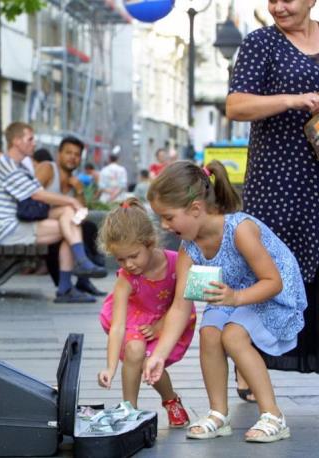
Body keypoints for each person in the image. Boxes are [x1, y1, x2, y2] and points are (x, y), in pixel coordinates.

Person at [143, 160, 307, 443]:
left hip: (272, 295)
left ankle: (273, 415)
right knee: (209, 332)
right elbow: (181, 305)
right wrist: (158, 354)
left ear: (195, 209)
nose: (164, 226)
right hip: (232, 295)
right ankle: (218, 414)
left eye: (168, 217)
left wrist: (236, 297)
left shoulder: (239, 229)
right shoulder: (189, 247)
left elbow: (273, 282)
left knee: (232, 335)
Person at [226, 0, 319, 376]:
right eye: (272, 0)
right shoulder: (261, 42)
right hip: (277, 180)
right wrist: (291, 100)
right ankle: (250, 363)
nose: (278, 7)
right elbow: (235, 105)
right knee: (271, 264)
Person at [96, 197, 193, 428]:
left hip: (169, 318)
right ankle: (129, 408)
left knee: (151, 361)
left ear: (150, 243)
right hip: (137, 318)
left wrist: (161, 326)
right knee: (134, 350)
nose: (128, 264)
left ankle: (170, 399)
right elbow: (118, 326)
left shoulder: (176, 262)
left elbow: (182, 303)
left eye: (133, 256)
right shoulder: (126, 278)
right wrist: (110, 367)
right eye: (120, 259)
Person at [0, 122, 106, 304]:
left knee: (70, 219)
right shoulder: (5, 164)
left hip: (20, 224)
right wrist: (71, 201)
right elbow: (36, 195)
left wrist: (76, 198)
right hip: (8, 229)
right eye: (30, 139)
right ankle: (73, 276)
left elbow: (76, 211)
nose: (34, 143)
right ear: (16, 141)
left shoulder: (20, 166)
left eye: (77, 154)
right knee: (69, 223)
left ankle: (76, 273)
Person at [35, 136, 107, 297]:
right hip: (39, 222)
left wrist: (79, 190)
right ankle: (79, 272)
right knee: (71, 219)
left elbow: (81, 214)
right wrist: (68, 202)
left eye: (76, 154)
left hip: (62, 226)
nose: (72, 157)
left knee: (86, 226)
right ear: (59, 154)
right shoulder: (48, 168)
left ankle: (83, 280)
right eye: (68, 153)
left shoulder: (75, 182)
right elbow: (31, 194)